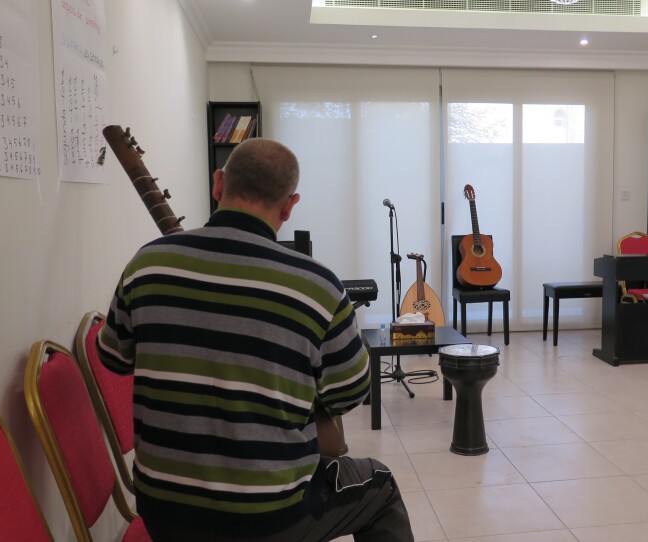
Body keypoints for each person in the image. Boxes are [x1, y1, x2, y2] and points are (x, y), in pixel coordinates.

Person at [97, 138, 413, 542]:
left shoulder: (146, 263)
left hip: (163, 511)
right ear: (289, 206)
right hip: (270, 516)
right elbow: (351, 392)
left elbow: (113, 358)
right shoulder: (317, 285)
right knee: (381, 485)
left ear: (218, 184)